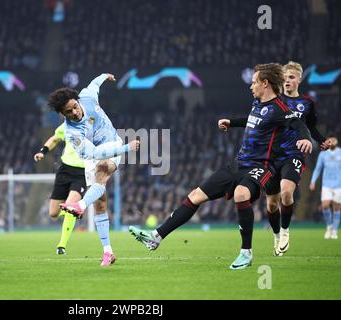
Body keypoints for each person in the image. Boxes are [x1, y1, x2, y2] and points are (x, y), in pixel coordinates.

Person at [129, 63, 312, 270]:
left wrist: (305, 139)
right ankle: (156, 236)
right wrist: (232, 122)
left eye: (254, 82)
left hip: (262, 166)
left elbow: (299, 124)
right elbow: (253, 121)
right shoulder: (257, 104)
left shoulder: (280, 109)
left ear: (265, 83)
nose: (251, 86)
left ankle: (246, 253)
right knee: (195, 195)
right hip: (239, 163)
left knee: (241, 194)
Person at [220, 61, 330, 256]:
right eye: (285, 77)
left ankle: (286, 231)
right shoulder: (274, 101)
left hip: (293, 155)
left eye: (291, 77)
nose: (287, 81)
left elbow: (309, 126)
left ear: (299, 80)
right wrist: (232, 122)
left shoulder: (307, 104)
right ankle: (277, 234)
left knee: (287, 193)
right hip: (272, 157)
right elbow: (253, 120)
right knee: (272, 203)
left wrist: (319, 141)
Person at [48, 73, 139, 266]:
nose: (74, 112)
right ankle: (108, 252)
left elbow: (94, 84)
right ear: (62, 115)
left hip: (113, 144)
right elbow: (96, 152)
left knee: (103, 173)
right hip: (94, 154)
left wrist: (104, 76)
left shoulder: (87, 97)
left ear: (78, 100)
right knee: (100, 204)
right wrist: (127, 148)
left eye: (74, 106)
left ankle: (79, 206)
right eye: (68, 112)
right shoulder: (72, 132)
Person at [33, 123, 86, 255]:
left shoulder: (94, 122)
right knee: (53, 213)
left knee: (70, 206)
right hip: (64, 170)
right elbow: (55, 138)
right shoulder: (68, 124)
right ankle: (73, 213)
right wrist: (42, 152)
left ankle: (61, 245)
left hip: (83, 172)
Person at [310, 136, 341, 240]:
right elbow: (318, 169)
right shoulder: (323, 154)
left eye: (334, 139)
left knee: (337, 207)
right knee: (325, 205)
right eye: (330, 140)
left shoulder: (340, 152)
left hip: (338, 185)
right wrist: (313, 181)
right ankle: (329, 226)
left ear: (337, 142)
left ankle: (335, 231)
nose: (332, 141)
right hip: (326, 185)